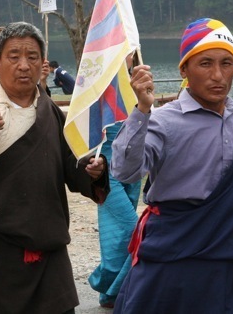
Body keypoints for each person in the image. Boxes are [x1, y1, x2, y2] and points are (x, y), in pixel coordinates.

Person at [109, 18, 233, 313]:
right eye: (205, 64)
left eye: (227, 63)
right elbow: (125, 171)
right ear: (184, 70)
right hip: (174, 262)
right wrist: (142, 110)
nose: (218, 75)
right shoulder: (163, 120)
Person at [0, 21, 108, 313]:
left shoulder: (51, 111)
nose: (23, 65)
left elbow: (72, 167)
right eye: (13, 56)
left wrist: (93, 170)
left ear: (42, 62)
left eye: (32, 57)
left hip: (46, 241)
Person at [87, 55, 141, 309]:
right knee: (131, 227)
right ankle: (104, 281)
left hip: (133, 166)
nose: (127, 53)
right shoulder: (99, 78)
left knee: (118, 236)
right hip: (106, 172)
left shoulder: (137, 79)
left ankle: (112, 292)